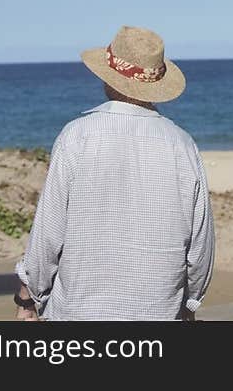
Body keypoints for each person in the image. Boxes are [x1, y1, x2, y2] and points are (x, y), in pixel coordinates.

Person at [13, 25, 214, 321]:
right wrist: (191, 301)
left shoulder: (77, 136)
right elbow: (200, 244)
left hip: (78, 312)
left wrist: (27, 297)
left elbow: (48, 233)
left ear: (108, 78)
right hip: (159, 312)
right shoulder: (182, 144)